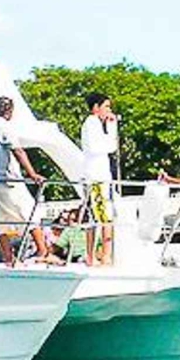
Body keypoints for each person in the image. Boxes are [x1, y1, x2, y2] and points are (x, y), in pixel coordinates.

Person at [0, 96, 49, 264]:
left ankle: (8, 257)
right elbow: (18, 151)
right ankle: (42, 250)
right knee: (30, 213)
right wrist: (32, 174)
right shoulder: (3, 127)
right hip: (8, 181)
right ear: (9, 112)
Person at [79, 91, 119, 266]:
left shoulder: (93, 124)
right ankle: (105, 256)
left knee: (94, 217)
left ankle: (92, 256)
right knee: (105, 217)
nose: (109, 110)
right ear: (96, 108)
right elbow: (108, 146)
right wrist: (112, 127)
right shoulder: (92, 123)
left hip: (95, 175)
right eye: (106, 106)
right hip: (97, 177)